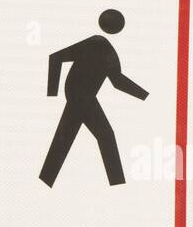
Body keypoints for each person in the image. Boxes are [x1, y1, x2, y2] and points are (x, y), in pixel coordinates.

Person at [39, 9, 148, 187]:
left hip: (82, 96)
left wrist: (144, 96)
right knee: (105, 135)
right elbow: (56, 58)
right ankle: (118, 184)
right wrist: (52, 93)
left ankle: (45, 179)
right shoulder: (96, 43)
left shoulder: (107, 51)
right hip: (80, 96)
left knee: (65, 137)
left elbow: (118, 81)